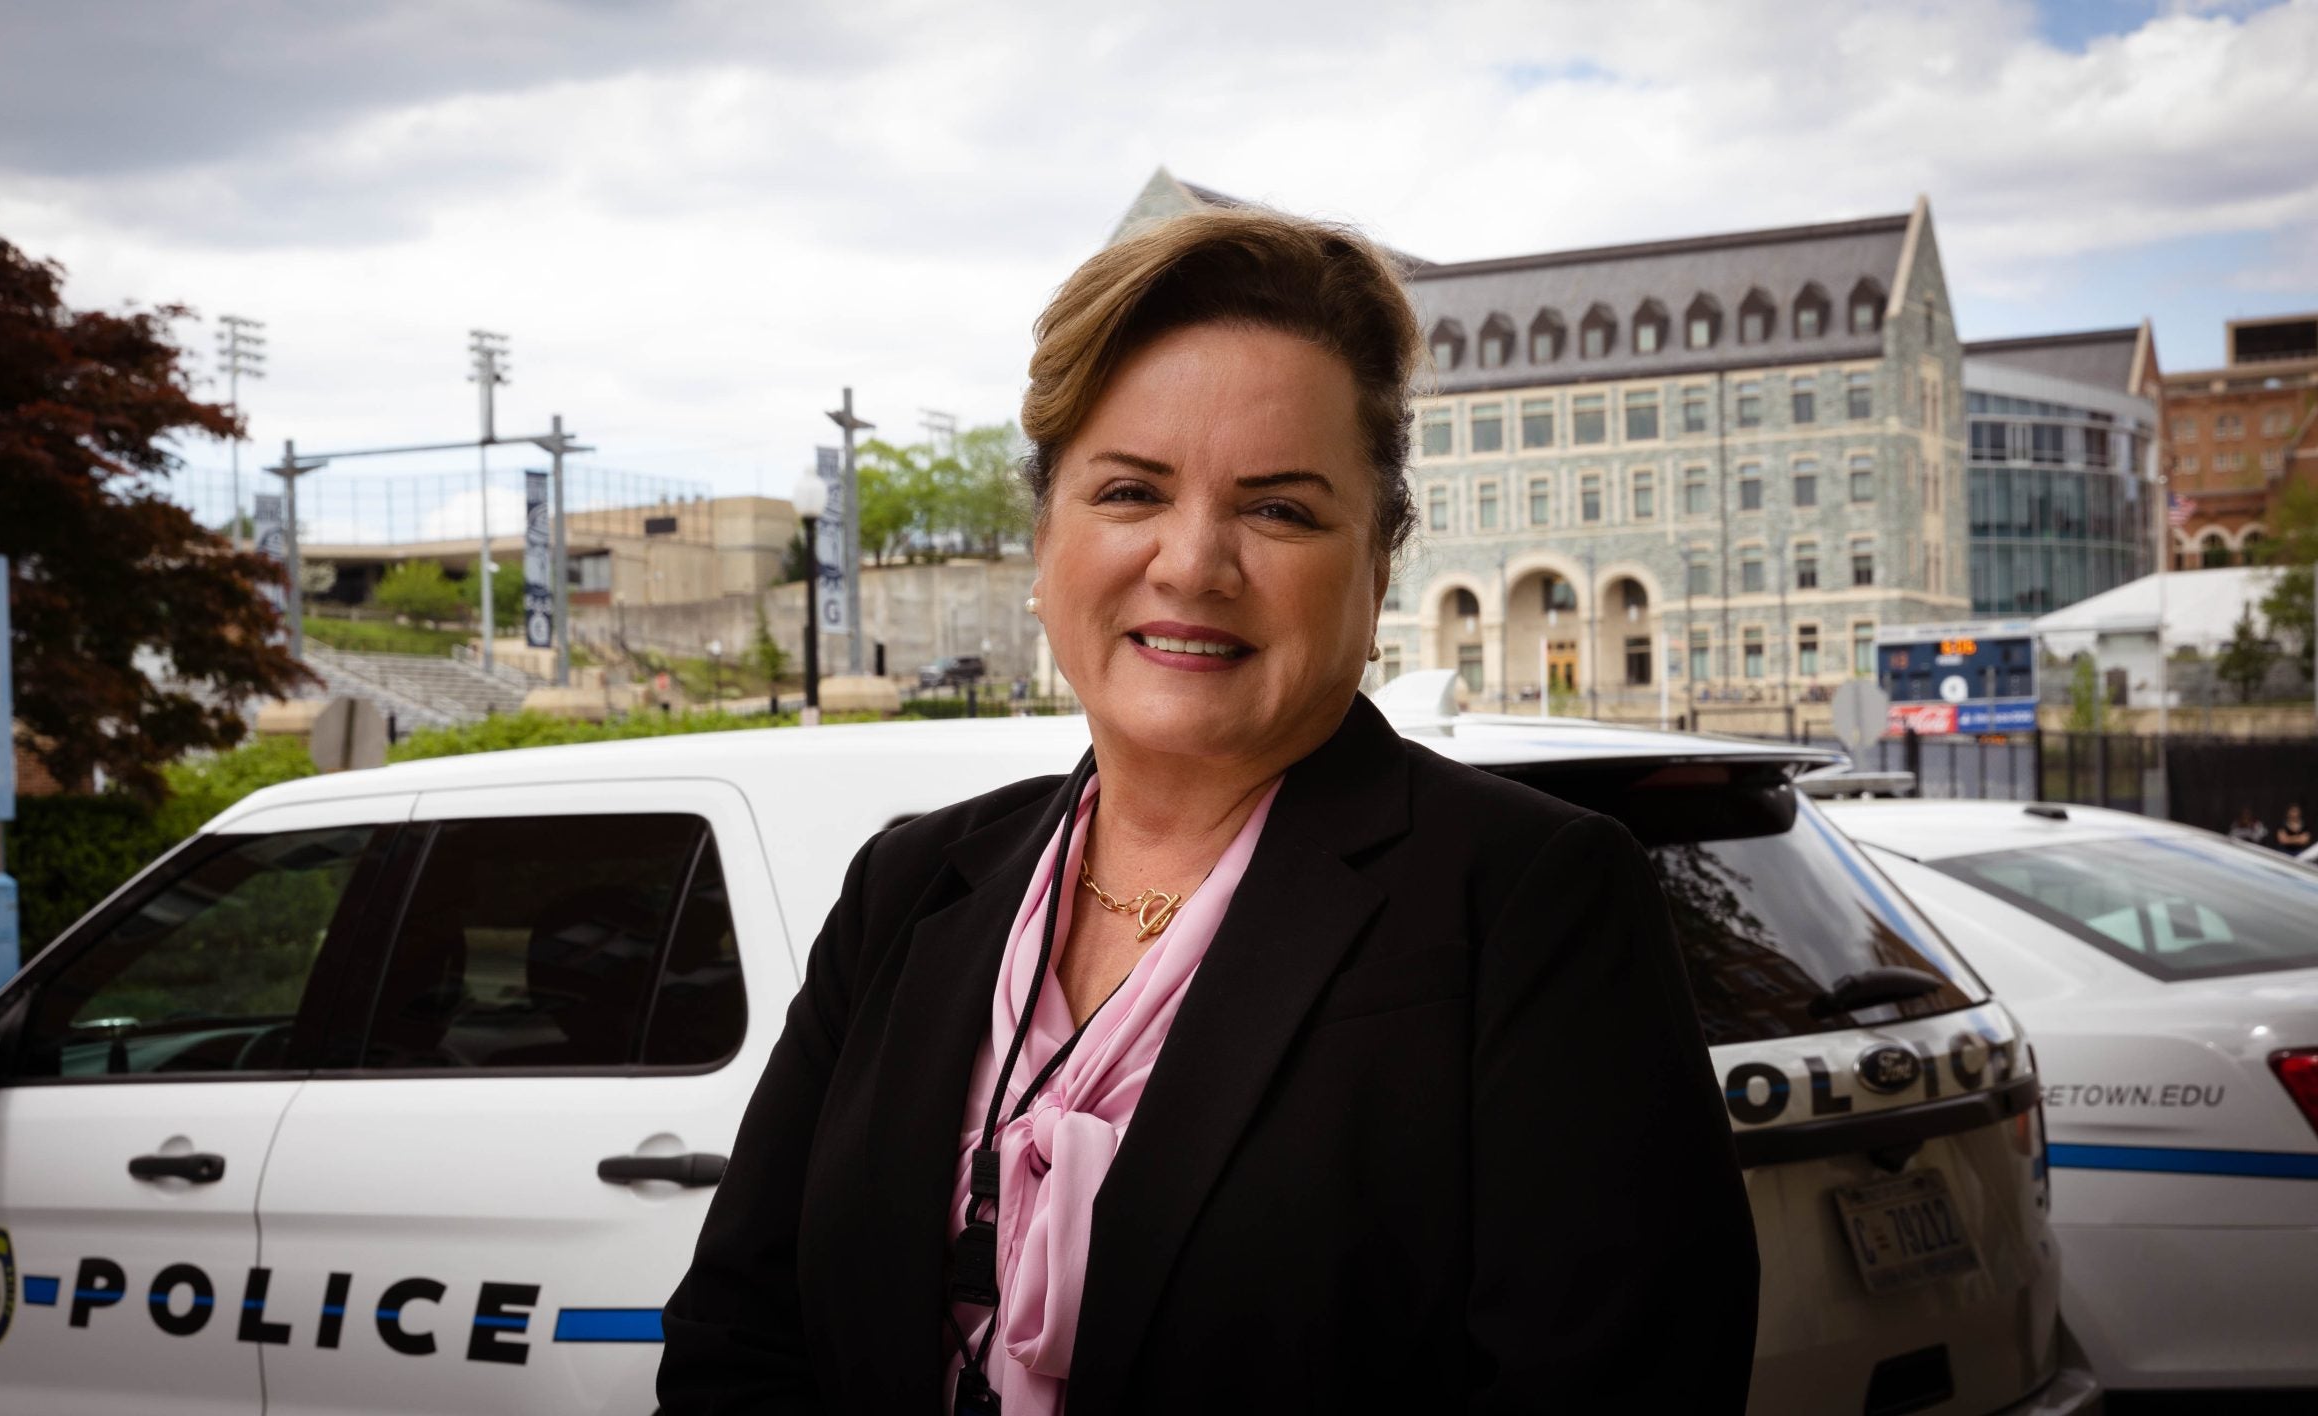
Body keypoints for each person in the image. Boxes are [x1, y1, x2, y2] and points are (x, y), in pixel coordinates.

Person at [659, 210, 1758, 1412]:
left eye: (1279, 509)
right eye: (1130, 491)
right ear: (1045, 539)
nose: (1192, 563)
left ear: (1379, 565)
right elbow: (740, 1340)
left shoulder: (1528, 903)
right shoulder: (910, 888)